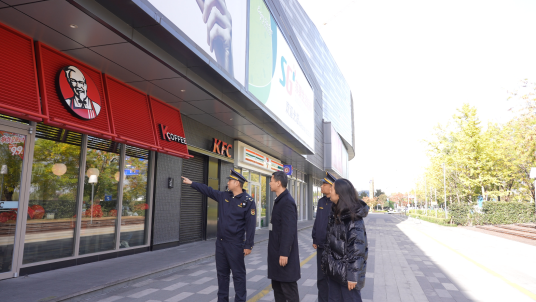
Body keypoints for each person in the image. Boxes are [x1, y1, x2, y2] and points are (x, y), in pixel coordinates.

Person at [181, 170, 256, 302]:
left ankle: (240, 300)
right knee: (222, 274)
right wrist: (192, 183)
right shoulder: (224, 196)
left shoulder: (248, 201)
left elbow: (251, 225)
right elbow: (208, 190)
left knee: (238, 275)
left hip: (235, 244)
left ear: (237, 183)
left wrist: (248, 245)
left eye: (230, 180)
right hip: (221, 243)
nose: (227, 182)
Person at [321, 179, 369, 302]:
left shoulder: (353, 218)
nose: (329, 192)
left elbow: (357, 248)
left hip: (347, 275)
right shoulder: (335, 213)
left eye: (332, 189)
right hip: (335, 271)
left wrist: (353, 276)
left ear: (340, 194)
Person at [267, 171, 300, 302]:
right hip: (276, 254)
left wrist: (284, 253)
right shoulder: (279, 200)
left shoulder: (287, 202)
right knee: (278, 289)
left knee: (288, 289)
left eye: (271, 180)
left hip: (283, 256)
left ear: (278, 183)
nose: (270, 183)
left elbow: (289, 230)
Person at [312, 171, 337, 302]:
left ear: (331, 186)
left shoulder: (336, 203)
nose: (321, 186)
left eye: (324, 184)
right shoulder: (321, 201)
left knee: (331, 277)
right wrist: (314, 238)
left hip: (332, 247)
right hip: (320, 246)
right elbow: (318, 221)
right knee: (321, 277)